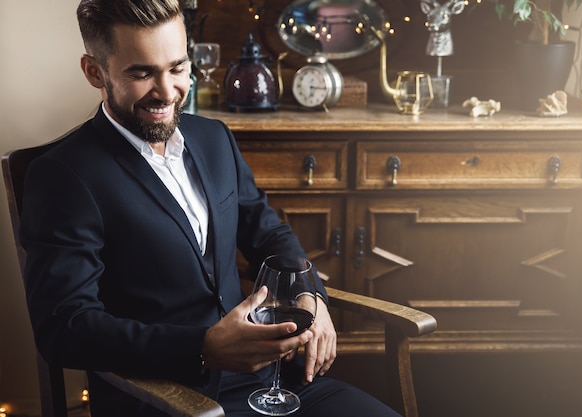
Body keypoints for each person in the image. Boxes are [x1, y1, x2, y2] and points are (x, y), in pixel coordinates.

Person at [19, 1, 402, 416]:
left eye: (177, 67)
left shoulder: (214, 138)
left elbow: (269, 235)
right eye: (142, 72)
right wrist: (202, 349)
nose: (166, 92)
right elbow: (64, 327)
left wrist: (311, 295)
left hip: (271, 385)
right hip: (164, 398)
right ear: (95, 71)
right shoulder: (62, 176)